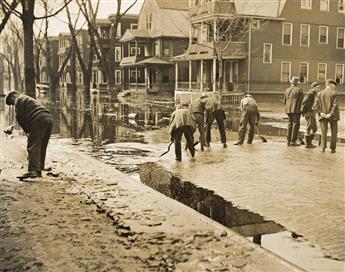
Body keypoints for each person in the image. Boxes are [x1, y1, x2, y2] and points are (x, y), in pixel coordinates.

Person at [5, 91, 53, 179]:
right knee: (42, 144)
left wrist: (27, 131)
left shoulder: (18, 99)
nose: (13, 105)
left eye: (11, 102)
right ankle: (39, 168)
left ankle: (33, 170)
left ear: (13, 96)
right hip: (48, 117)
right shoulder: (27, 98)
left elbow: (19, 116)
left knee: (33, 145)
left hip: (38, 119)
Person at [314, 79, 340, 153]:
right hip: (333, 116)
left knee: (323, 132)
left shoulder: (319, 93)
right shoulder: (334, 93)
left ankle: (323, 148)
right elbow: (335, 106)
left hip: (322, 115)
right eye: (334, 85)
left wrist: (320, 112)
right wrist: (330, 114)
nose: (334, 87)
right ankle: (333, 148)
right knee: (334, 132)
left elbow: (316, 105)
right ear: (330, 85)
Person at [283, 76, 304, 146]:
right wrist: (302, 110)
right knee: (296, 124)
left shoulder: (286, 90)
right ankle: (293, 141)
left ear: (291, 83)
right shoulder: (299, 90)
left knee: (289, 124)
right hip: (296, 110)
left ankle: (288, 140)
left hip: (288, 110)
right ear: (297, 83)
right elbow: (301, 101)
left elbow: (284, 101)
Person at [301, 82, 320, 148]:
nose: (318, 89)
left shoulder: (314, 93)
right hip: (309, 112)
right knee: (309, 127)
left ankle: (309, 142)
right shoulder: (310, 94)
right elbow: (304, 102)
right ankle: (308, 144)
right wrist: (310, 108)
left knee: (314, 128)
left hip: (312, 113)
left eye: (319, 88)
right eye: (317, 88)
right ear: (313, 87)